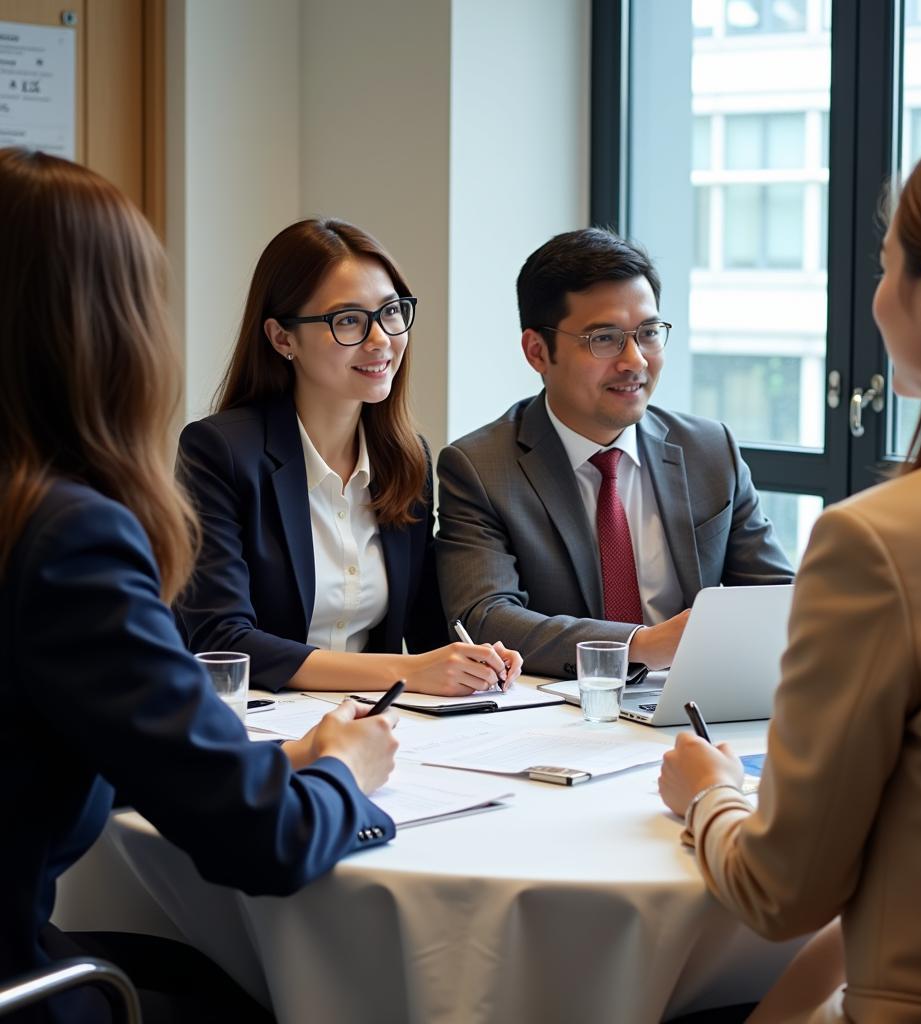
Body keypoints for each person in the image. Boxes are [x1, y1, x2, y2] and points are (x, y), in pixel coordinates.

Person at [0, 148, 400, 1024]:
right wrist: (343, 773)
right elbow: (269, 842)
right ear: (106, 323)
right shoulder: (69, 537)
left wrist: (262, 762)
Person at [658, 124, 921, 1024]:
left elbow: (781, 892)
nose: (875, 295)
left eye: (884, 262)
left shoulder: (881, 542)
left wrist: (709, 795)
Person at [175, 219, 522, 695]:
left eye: (391, 312)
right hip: (255, 731)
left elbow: (424, 629)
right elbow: (223, 641)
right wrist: (407, 671)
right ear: (282, 339)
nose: (381, 339)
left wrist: (476, 659)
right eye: (349, 321)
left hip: (372, 724)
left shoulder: (406, 460)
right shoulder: (218, 452)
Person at [436, 227, 792, 678]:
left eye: (648, 333)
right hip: (558, 717)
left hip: (692, 707)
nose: (635, 360)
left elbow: (778, 598)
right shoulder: (481, 468)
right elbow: (484, 617)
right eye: (604, 338)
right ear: (537, 352)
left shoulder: (708, 450)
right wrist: (641, 644)